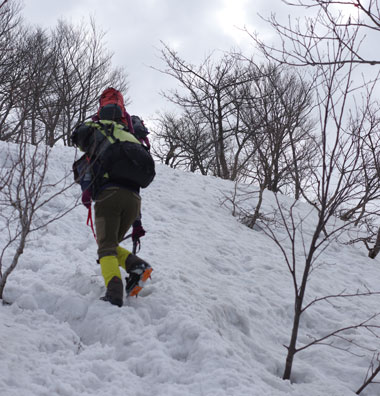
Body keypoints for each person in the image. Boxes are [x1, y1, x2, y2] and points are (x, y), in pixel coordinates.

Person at [72, 88, 153, 307]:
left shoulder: (98, 131)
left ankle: (114, 289)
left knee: (105, 247)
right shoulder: (132, 137)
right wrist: (137, 222)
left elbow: (78, 137)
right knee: (111, 244)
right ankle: (136, 268)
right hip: (134, 200)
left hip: (110, 195)